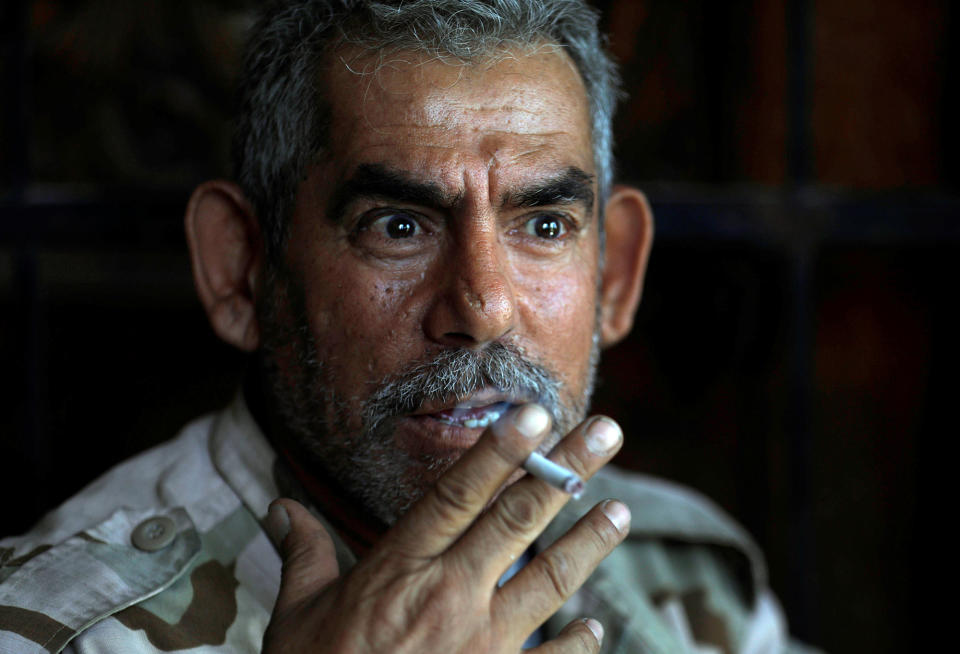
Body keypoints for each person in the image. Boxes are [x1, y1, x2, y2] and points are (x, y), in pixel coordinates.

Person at [0, 1, 818, 652]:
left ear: (614, 275)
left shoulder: (686, 581)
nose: (483, 308)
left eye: (542, 226)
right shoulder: (62, 630)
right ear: (242, 269)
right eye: (398, 226)